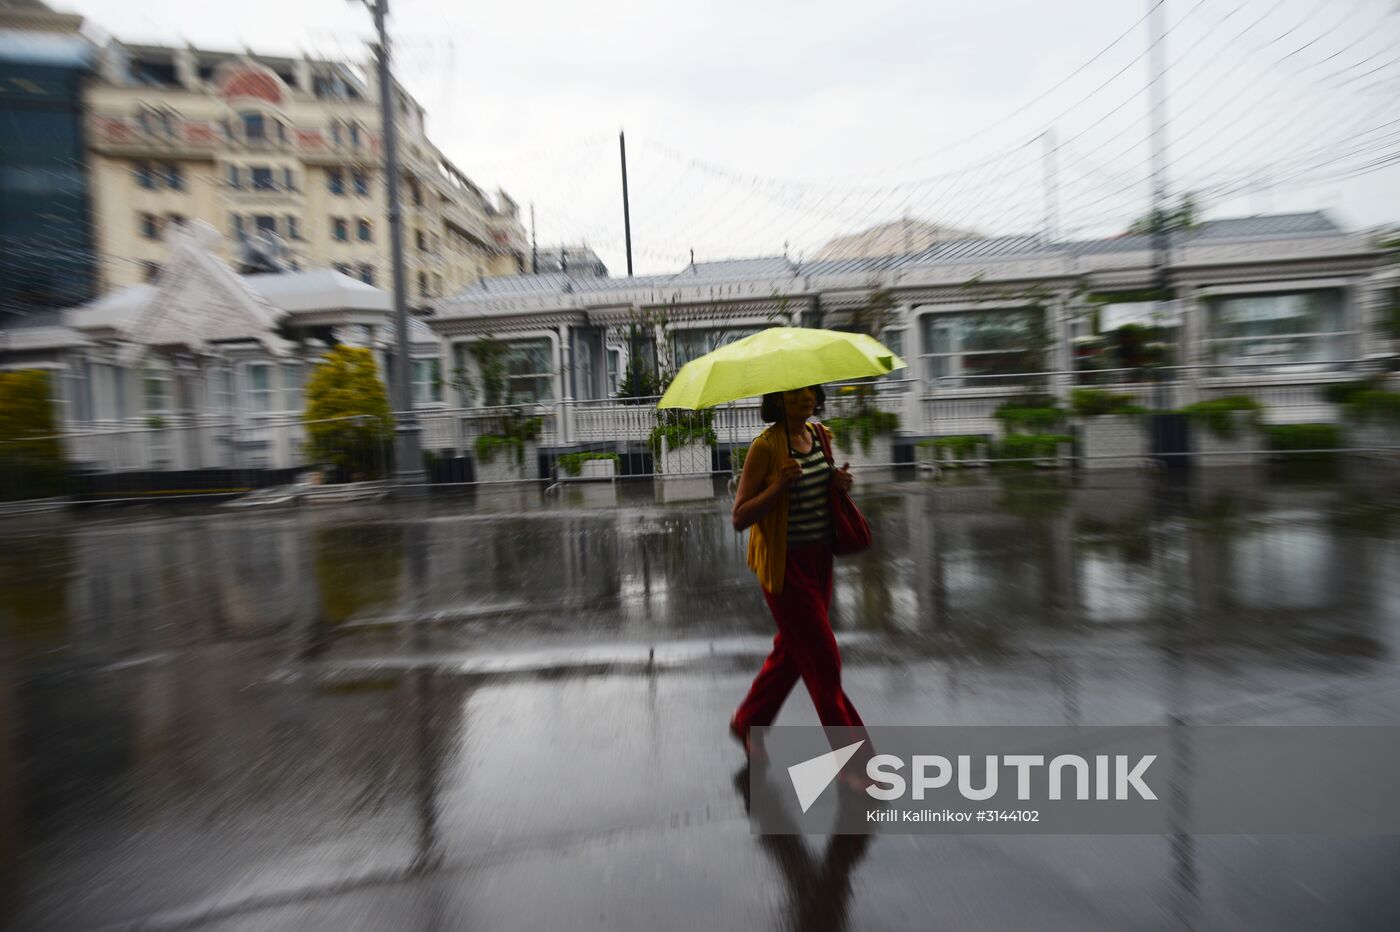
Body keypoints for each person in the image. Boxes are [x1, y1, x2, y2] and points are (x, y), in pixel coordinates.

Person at [729, 385, 870, 784]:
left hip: (820, 561)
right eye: (793, 392)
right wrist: (778, 486)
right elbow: (739, 517)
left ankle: (748, 720)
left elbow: (821, 493)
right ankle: (854, 762)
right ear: (777, 400)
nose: (805, 396)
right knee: (824, 661)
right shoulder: (765, 447)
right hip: (784, 567)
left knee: (794, 653)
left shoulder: (819, 435)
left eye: (809, 388)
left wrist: (837, 484)